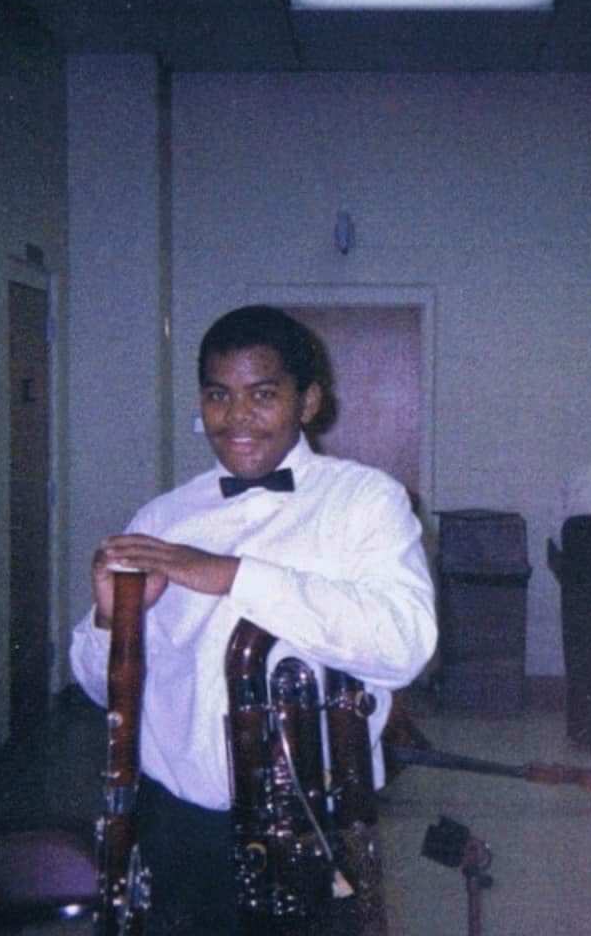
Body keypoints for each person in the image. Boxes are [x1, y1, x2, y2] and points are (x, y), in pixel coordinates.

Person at [71, 304, 437, 935]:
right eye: (219, 395)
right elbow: (104, 690)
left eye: (263, 395)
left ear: (309, 402)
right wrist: (111, 621)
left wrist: (231, 574)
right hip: (179, 826)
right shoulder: (161, 517)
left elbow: (404, 644)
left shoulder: (366, 502)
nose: (237, 418)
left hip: (315, 827)